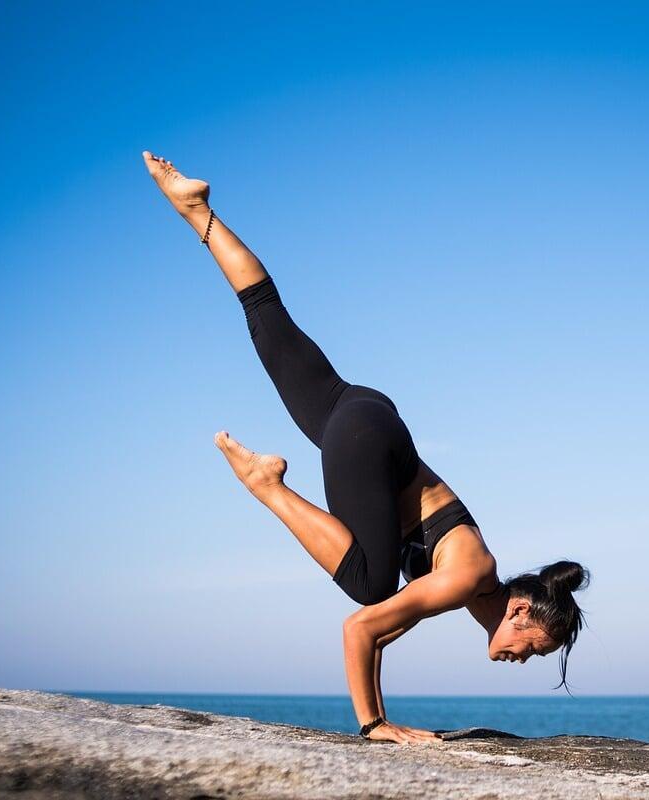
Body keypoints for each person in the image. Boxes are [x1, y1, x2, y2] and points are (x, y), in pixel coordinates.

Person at [142, 152, 590, 745]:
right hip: (366, 443)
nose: (524, 660)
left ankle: (196, 209)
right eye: (534, 648)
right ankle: (267, 485)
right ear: (521, 613)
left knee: (268, 319)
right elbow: (362, 628)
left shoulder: (474, 584)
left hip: (364, 416)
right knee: (371, 587)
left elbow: (384, 632)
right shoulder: (468, 576)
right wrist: (376, 724)